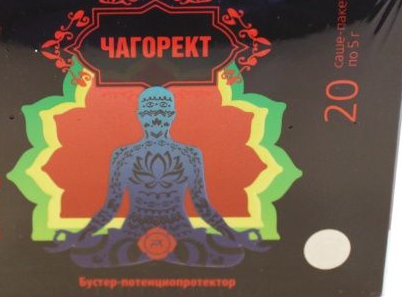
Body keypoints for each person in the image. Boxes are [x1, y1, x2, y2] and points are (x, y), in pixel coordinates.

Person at [47, 86, 267, 267]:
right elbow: (111, 206)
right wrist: (79, 237)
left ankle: (153, 254)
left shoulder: (190, 154)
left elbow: (202, 204)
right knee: (82, 255)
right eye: (150, 114)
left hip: (180, 233)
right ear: (140, 116)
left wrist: (234, 235)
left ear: (172, 115)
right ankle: (160, 254)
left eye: (162, 113)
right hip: (133, 232)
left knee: (232, 254)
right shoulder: (123, 155)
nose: (156, 120)